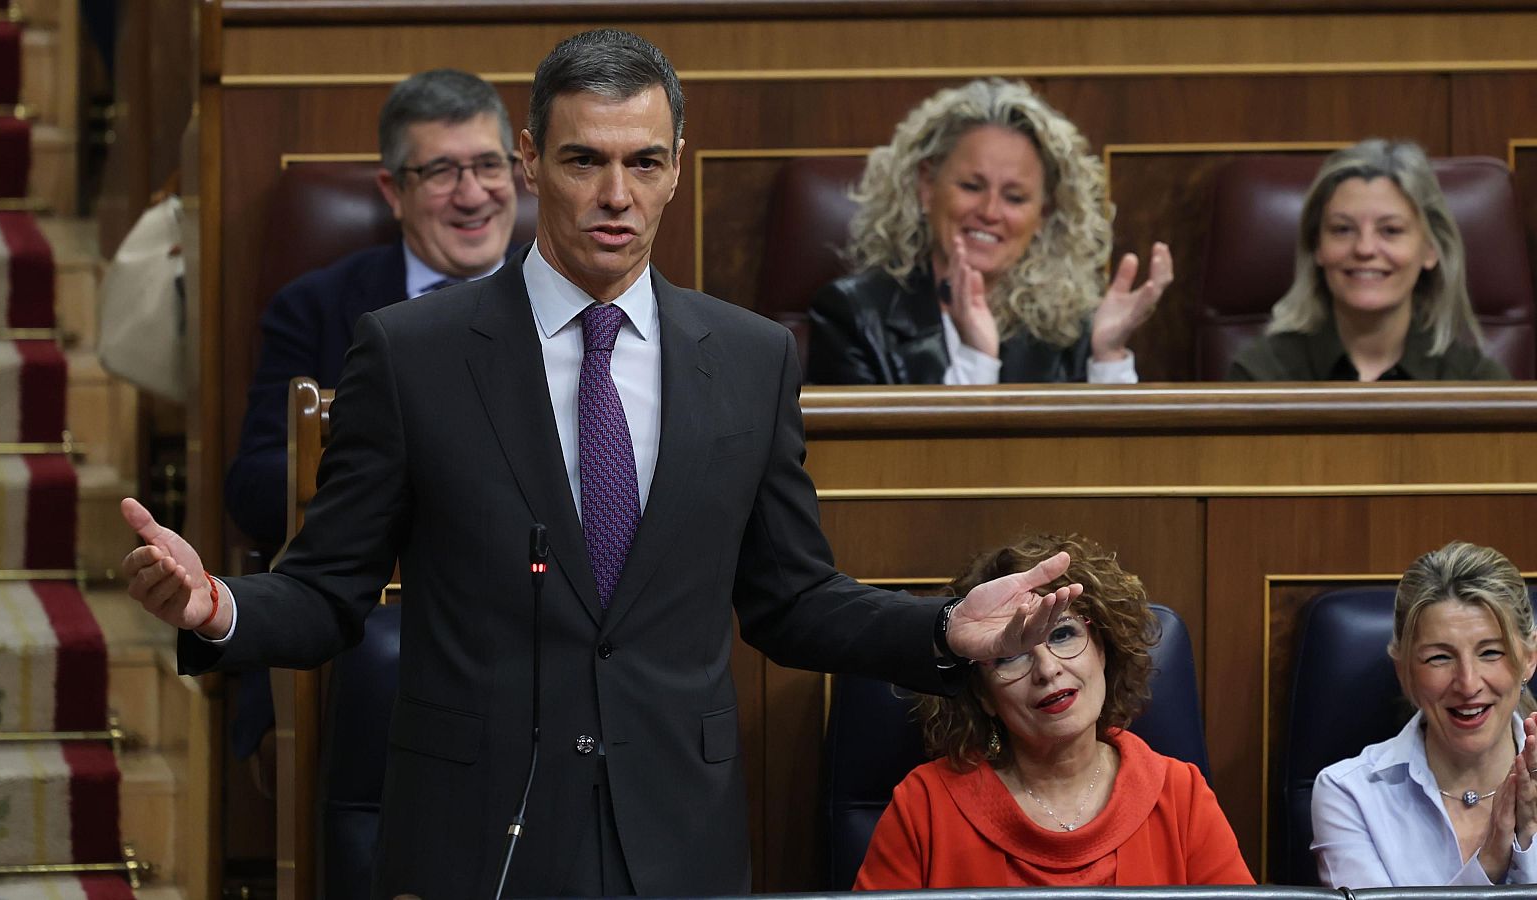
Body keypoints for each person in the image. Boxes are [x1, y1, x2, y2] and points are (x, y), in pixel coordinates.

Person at [121, 29, 1087, 899]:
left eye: (643, 162)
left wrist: (944, 629)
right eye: (585, 160)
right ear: (533, 162)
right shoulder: (411, 353)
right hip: (477, 836)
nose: (616, 194)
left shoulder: (749, 360)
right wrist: (219, 607)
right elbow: (331, 591)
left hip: (678, 833)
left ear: (676, 170)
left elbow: (791, 599)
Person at [224, 68, 520, 550]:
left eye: (489, 165)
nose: (471, 196)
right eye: (441, 172)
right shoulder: (313, 307)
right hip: (383, 595)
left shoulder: (569, 295)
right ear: (393, 191)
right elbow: (254, 487)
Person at [855, 533, 1253, 889]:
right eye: (1010, 656)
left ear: (1103, 649)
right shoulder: (924, 805)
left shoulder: (1180, 795)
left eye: (1063, 634)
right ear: (982, 695)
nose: (1047, 669)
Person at [807, 78, 1170, 386]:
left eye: (1014, 197)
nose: (990, 212)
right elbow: (880, 465)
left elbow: (1105, 464)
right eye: (970, 186)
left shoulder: (1069, 329)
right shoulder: (853, 315)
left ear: (1043, 213)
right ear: (927, 187)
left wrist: (1106, 356)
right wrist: (977, 359)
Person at [1311, 541, 1537, 887]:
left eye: (1491, 652)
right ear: (1404, 671)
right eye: (1439, 658)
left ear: (1529, 659)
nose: (1468, 683)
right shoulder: (1350, 794)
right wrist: (1491, 860)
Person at [1229, 140, 1509, 381]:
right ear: (1317, 246)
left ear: (1430, 250)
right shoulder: (1261, 376)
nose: (1364, 249)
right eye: (1342, 229)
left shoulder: (1476, 381)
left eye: (1390, 230)